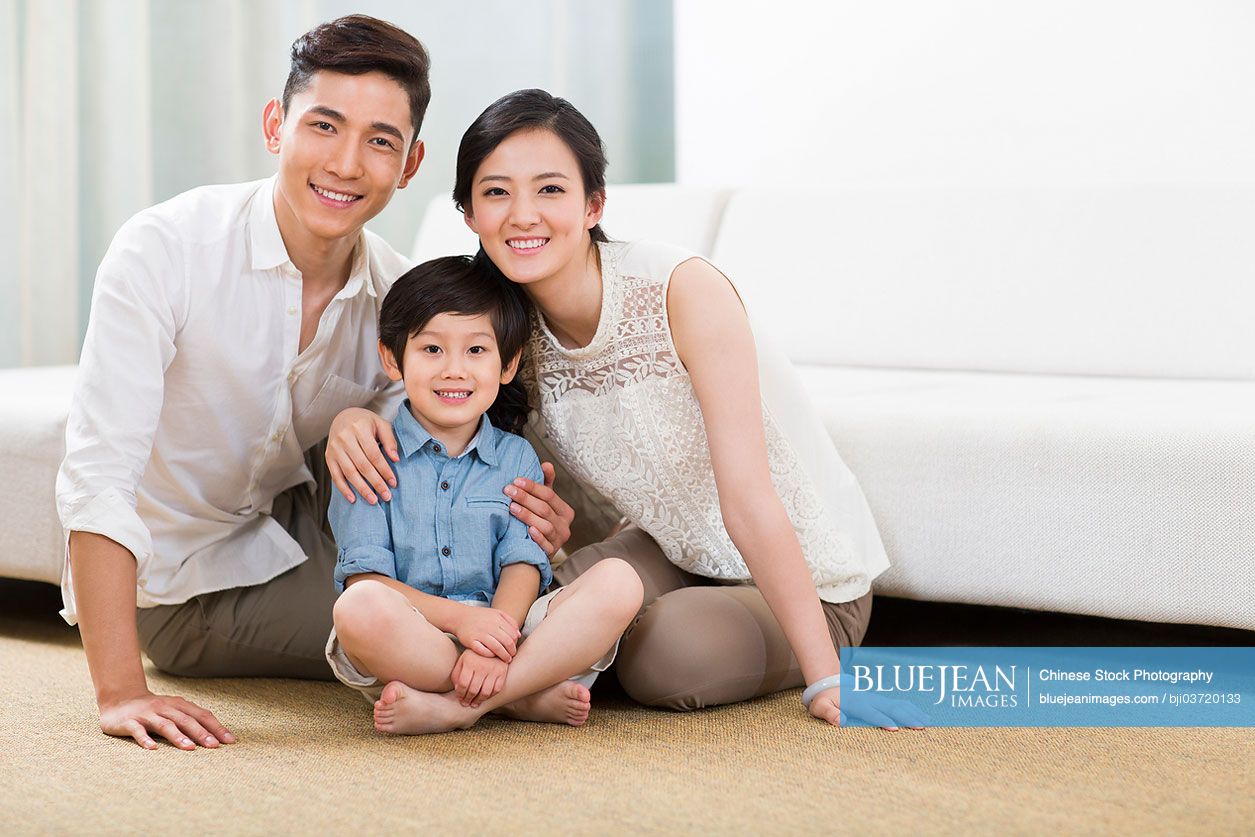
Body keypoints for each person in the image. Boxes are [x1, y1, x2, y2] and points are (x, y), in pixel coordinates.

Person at [55, 18, 573, 753]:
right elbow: (98, 475)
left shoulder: (397, 292)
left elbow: (448, 443)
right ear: (276, 125)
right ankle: (515, 686)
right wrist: (119, 691)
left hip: (307, 517)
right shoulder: (164, 251)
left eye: (380, 141)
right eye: (324, 126)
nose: (346, 163)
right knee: (402, 623)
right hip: (183, 582)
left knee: (494, 574)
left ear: (411, 160)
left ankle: (537, 655)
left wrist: (516, 505)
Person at [334, 89, 922, 730]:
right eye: (497, 192)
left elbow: (750, 500)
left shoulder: (682, 290)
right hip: (668, 551)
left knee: (662, 656)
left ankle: (464, 705)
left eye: (550, 190)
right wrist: (352, 419)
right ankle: (522, 687)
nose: (523, 215)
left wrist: (828, 678)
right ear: (469, 214)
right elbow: (433, 398)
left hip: (806, 582)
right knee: (546, 601)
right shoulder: (505, 331)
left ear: (594, 205)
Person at [326, 257, 642, 734]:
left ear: (507, 364)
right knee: (359, 608)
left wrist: (498, 633)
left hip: (509, 628)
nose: (455, 370)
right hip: (418, 639)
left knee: (620, 581)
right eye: (432, 349)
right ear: (393, 359)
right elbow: (364, 579)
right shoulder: (370, 456)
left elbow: (522, 561)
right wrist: (461, 623)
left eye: (476, 351)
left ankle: (460, 705)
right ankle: (519, 695)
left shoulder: (516, 456)